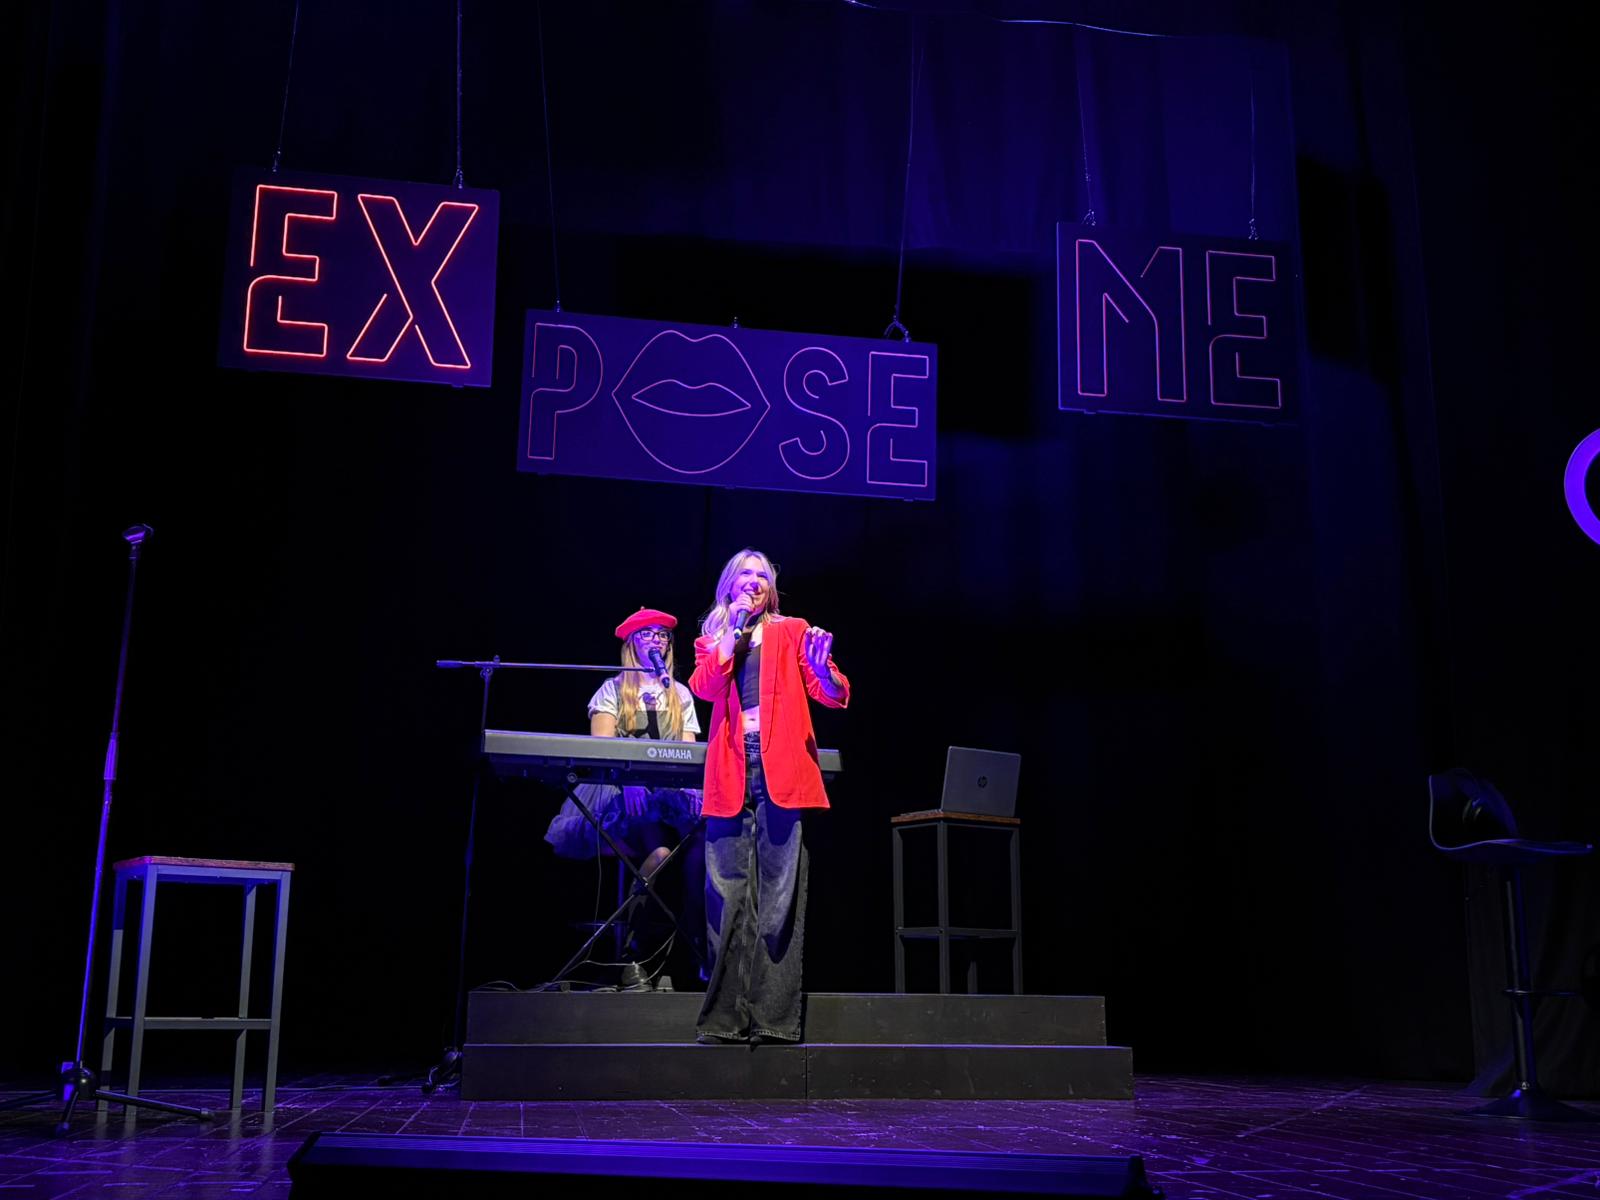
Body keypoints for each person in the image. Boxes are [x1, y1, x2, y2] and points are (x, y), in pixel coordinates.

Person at [689, 549, 849, 1043]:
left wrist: (823, 670)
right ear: (730, 585)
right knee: (726, 896)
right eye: (747, 574)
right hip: (731, 770)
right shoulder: (711, 640)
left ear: (771, 590)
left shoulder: (793, 630)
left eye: (764, 575)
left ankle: (773, 1019)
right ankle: (725, 1020)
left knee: (779, 895)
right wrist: (732, 634)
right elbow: (705, 687)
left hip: (782, 768)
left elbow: (831, 692)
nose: (756, 581)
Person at [544, 607, 704, 989]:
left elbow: (687, 755)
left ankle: (689, 953)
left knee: (701, 850)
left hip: (667, 797)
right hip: (621, 794)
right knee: (658, 848)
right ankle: (633, 953)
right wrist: (627, 779)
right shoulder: (613, 689)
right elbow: (601, 749)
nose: (657, 640)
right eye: (648, 634)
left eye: (662, 635)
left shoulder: (680, 694)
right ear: (632, 643)